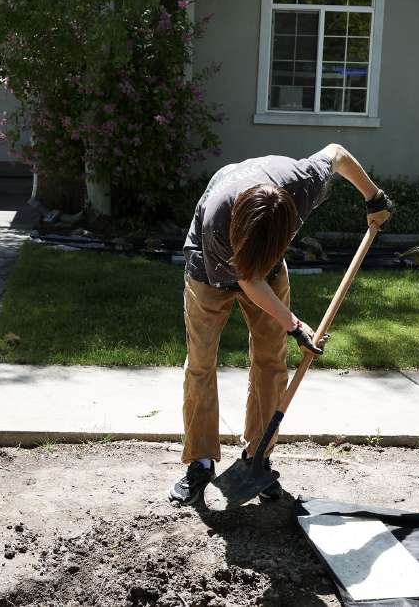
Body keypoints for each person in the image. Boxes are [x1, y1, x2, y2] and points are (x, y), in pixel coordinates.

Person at [168, 143, 393, 506]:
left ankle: (258, 456)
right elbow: (248, 279)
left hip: (266, 270)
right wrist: (294, 324)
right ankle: (201, 462)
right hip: (207, 273)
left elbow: (336, 154)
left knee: (272, 361)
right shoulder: (217, 221)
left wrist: (374, 198)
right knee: (201, 362)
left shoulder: (302, 183)